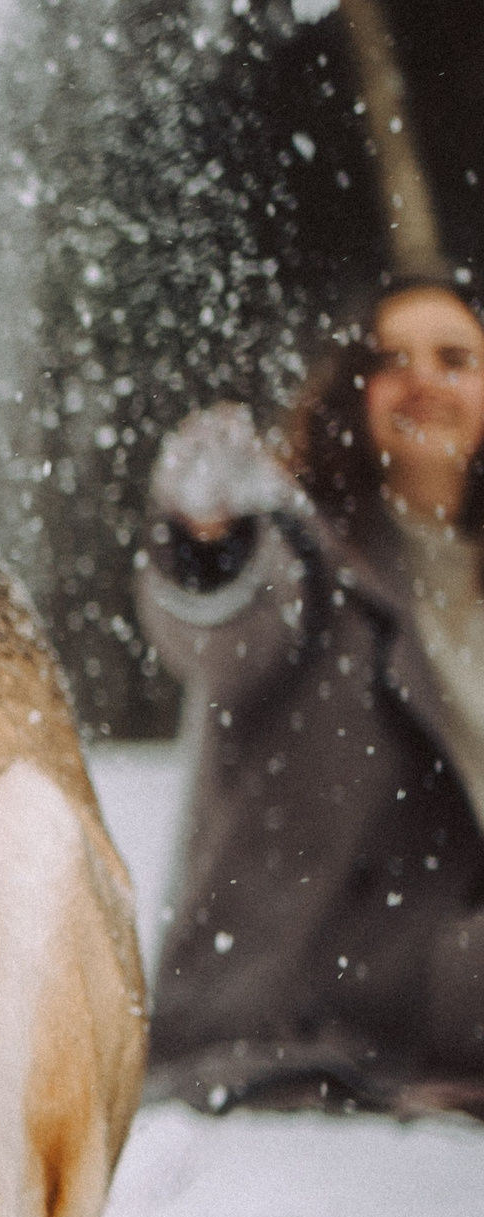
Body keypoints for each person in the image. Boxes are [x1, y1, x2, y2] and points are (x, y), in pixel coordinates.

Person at [138, 277, 484, 1116]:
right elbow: (224, 634)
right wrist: (208, 544)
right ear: (350, 393)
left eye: (455, 358)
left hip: (451, 997)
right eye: (389, 359)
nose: (422, 380)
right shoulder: (306, 548)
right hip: (289, 1007)